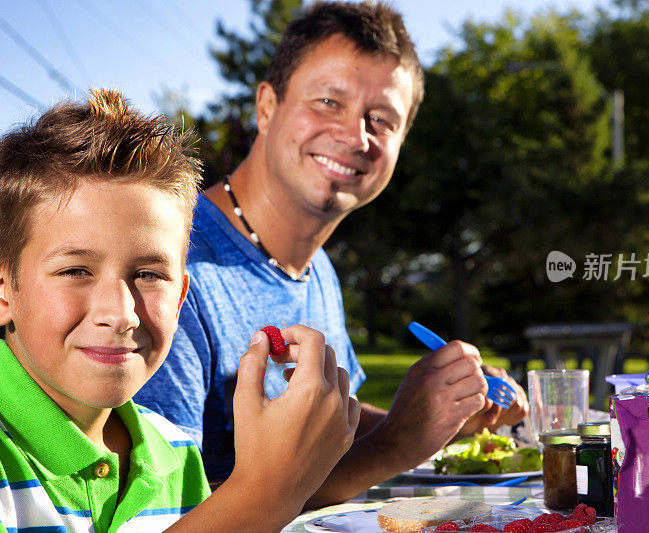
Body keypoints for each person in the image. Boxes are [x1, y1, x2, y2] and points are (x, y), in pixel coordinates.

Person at [135, 1, 528, 507]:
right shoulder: (172, 266)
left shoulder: (317, 269)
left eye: (382, 120)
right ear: (267, 107)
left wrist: (437, 420)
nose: (355, 135)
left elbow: (331, 420)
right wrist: (396, 444)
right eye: (328, 101)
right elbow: (162, 509)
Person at [0, 88, 358, 532]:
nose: (121, 313)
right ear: (0, 292)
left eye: (149, 275)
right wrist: (266, 491)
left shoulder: (175, 452)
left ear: (179, 299)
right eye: (76, 270)